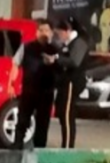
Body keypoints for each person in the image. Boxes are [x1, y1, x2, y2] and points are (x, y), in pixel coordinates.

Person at [11, 19, 58, 149]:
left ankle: (39, 149)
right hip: (29, 91)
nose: (43, 33)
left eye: (46, 31)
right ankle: (17, 146)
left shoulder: (55, 50)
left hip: (46, 92)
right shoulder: (26, 47)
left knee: (43, 124)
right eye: (41, 30)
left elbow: (62, 70)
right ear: (36, 32)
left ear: (51, 33)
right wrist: (11, 84)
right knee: (22, 121)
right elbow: (15, 64)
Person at [49, 18, 89, 149]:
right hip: (64, 82)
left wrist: (57, 59)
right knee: (62, 113)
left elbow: (74, 61)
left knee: (67, 115)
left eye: (59, 33)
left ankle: (67, 147)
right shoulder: (67, 44)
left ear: (67, 31)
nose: (58, 36)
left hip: (72, 82)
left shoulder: (79, 43)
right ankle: (65, 144)